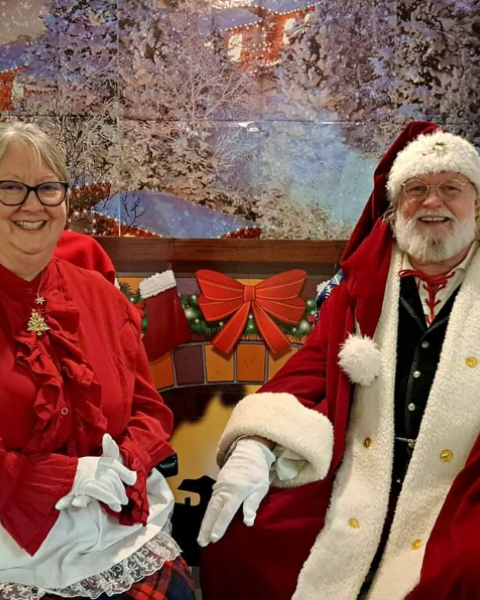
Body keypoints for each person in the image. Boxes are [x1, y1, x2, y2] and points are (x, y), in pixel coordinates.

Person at [198, 121, 480, 600]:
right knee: (243, 537)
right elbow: (309, 369)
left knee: (462, 572)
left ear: (476, 203)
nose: (433, 202)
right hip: (359, 471)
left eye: (451, 187)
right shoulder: (360, 289)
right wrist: (257, 443)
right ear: (394, 209)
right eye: (417, 189)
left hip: (459, 489)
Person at [0, 122, 195, 600]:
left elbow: (147, 410)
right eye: (9, 188)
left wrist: (126, 465)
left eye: (48, 188)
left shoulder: (101, 298)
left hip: (114, 535)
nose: (32, 204)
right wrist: (62, 477)